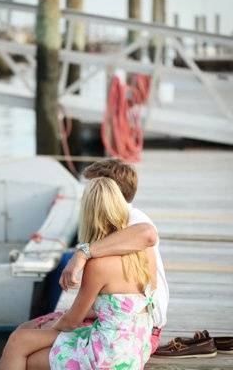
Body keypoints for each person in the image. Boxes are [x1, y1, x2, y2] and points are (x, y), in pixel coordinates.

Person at [21, 158, 169, 368]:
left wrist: (83, 253)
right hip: (130, 328)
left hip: (129, 335)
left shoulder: (134, 219)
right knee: (27, 330)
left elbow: (148, 234)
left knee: (23, 344)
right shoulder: (119, 233)